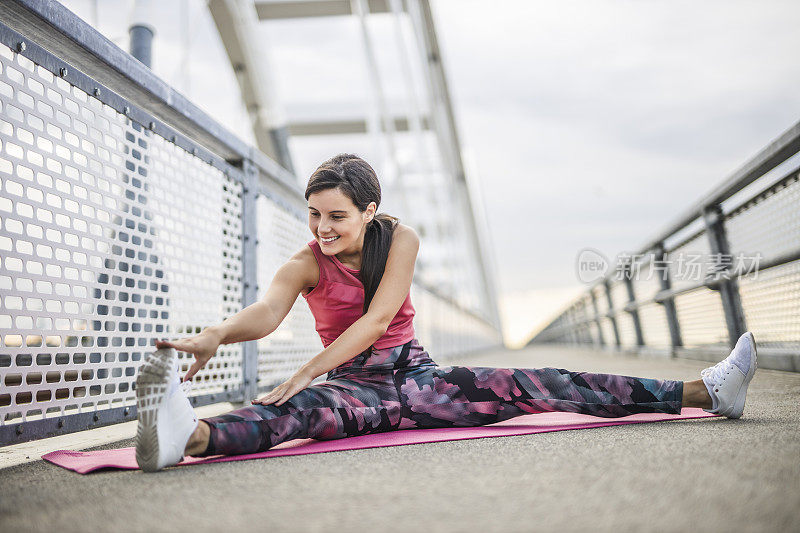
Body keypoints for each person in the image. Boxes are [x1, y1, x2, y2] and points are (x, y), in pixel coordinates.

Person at [133, 154, 759, 473]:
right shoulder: (305, 263)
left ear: (369, 211)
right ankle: (186, 438)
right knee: (297, 412)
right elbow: (268, 312)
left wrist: (308, 367)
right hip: (359, 388)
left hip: (421, 379)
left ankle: (706, 391)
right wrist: (216, 334)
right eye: (313, 214)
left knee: (542, 384)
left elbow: (377, 322)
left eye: (337, 216)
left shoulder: (399, 239)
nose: (322, 228)